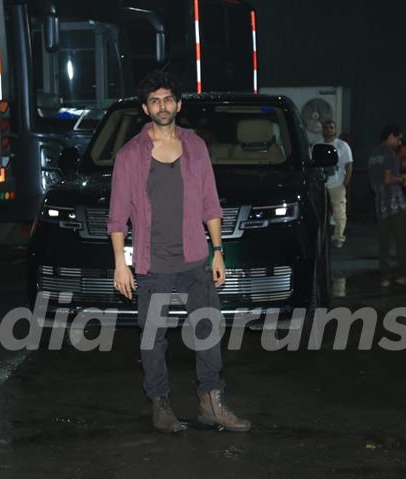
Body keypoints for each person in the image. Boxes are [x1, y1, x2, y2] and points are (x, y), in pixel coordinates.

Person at [107, 71, 250, 432]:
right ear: (145, 108)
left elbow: (211, 204)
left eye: (168, 99)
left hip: (194, 258)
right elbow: (117, 217)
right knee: (153, 337)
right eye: (155, 100)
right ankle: (160, 404)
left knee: (207, 330)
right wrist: (119, 266)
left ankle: (211, 402)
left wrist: (218, 251)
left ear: (178, 104)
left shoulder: (196, 147)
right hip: (152, 262)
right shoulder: (129, 155)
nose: (162, 106)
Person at [368, 125, 406, 288]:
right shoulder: (389, 152)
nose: (400, 142)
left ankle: (385, 277)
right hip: (395, 205)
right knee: (402, 241)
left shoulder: (374, 153)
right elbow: (388, 179)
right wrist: (404, 179)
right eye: (399, 138)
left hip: (380, 205)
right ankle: (403, 275)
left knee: (384, 243)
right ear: (390, 136)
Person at [321, 120, 353, 248]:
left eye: (331, 127)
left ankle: (338, 237)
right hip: (321, 185)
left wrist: (345, 182)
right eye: (326, 127)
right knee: (321, 212)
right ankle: (322, 236)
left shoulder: (342, 145)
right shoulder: (317, 145)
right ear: (322, 129)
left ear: (335, 130)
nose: (329, 130)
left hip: (337, 184)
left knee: (339, 212)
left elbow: (349, 165)